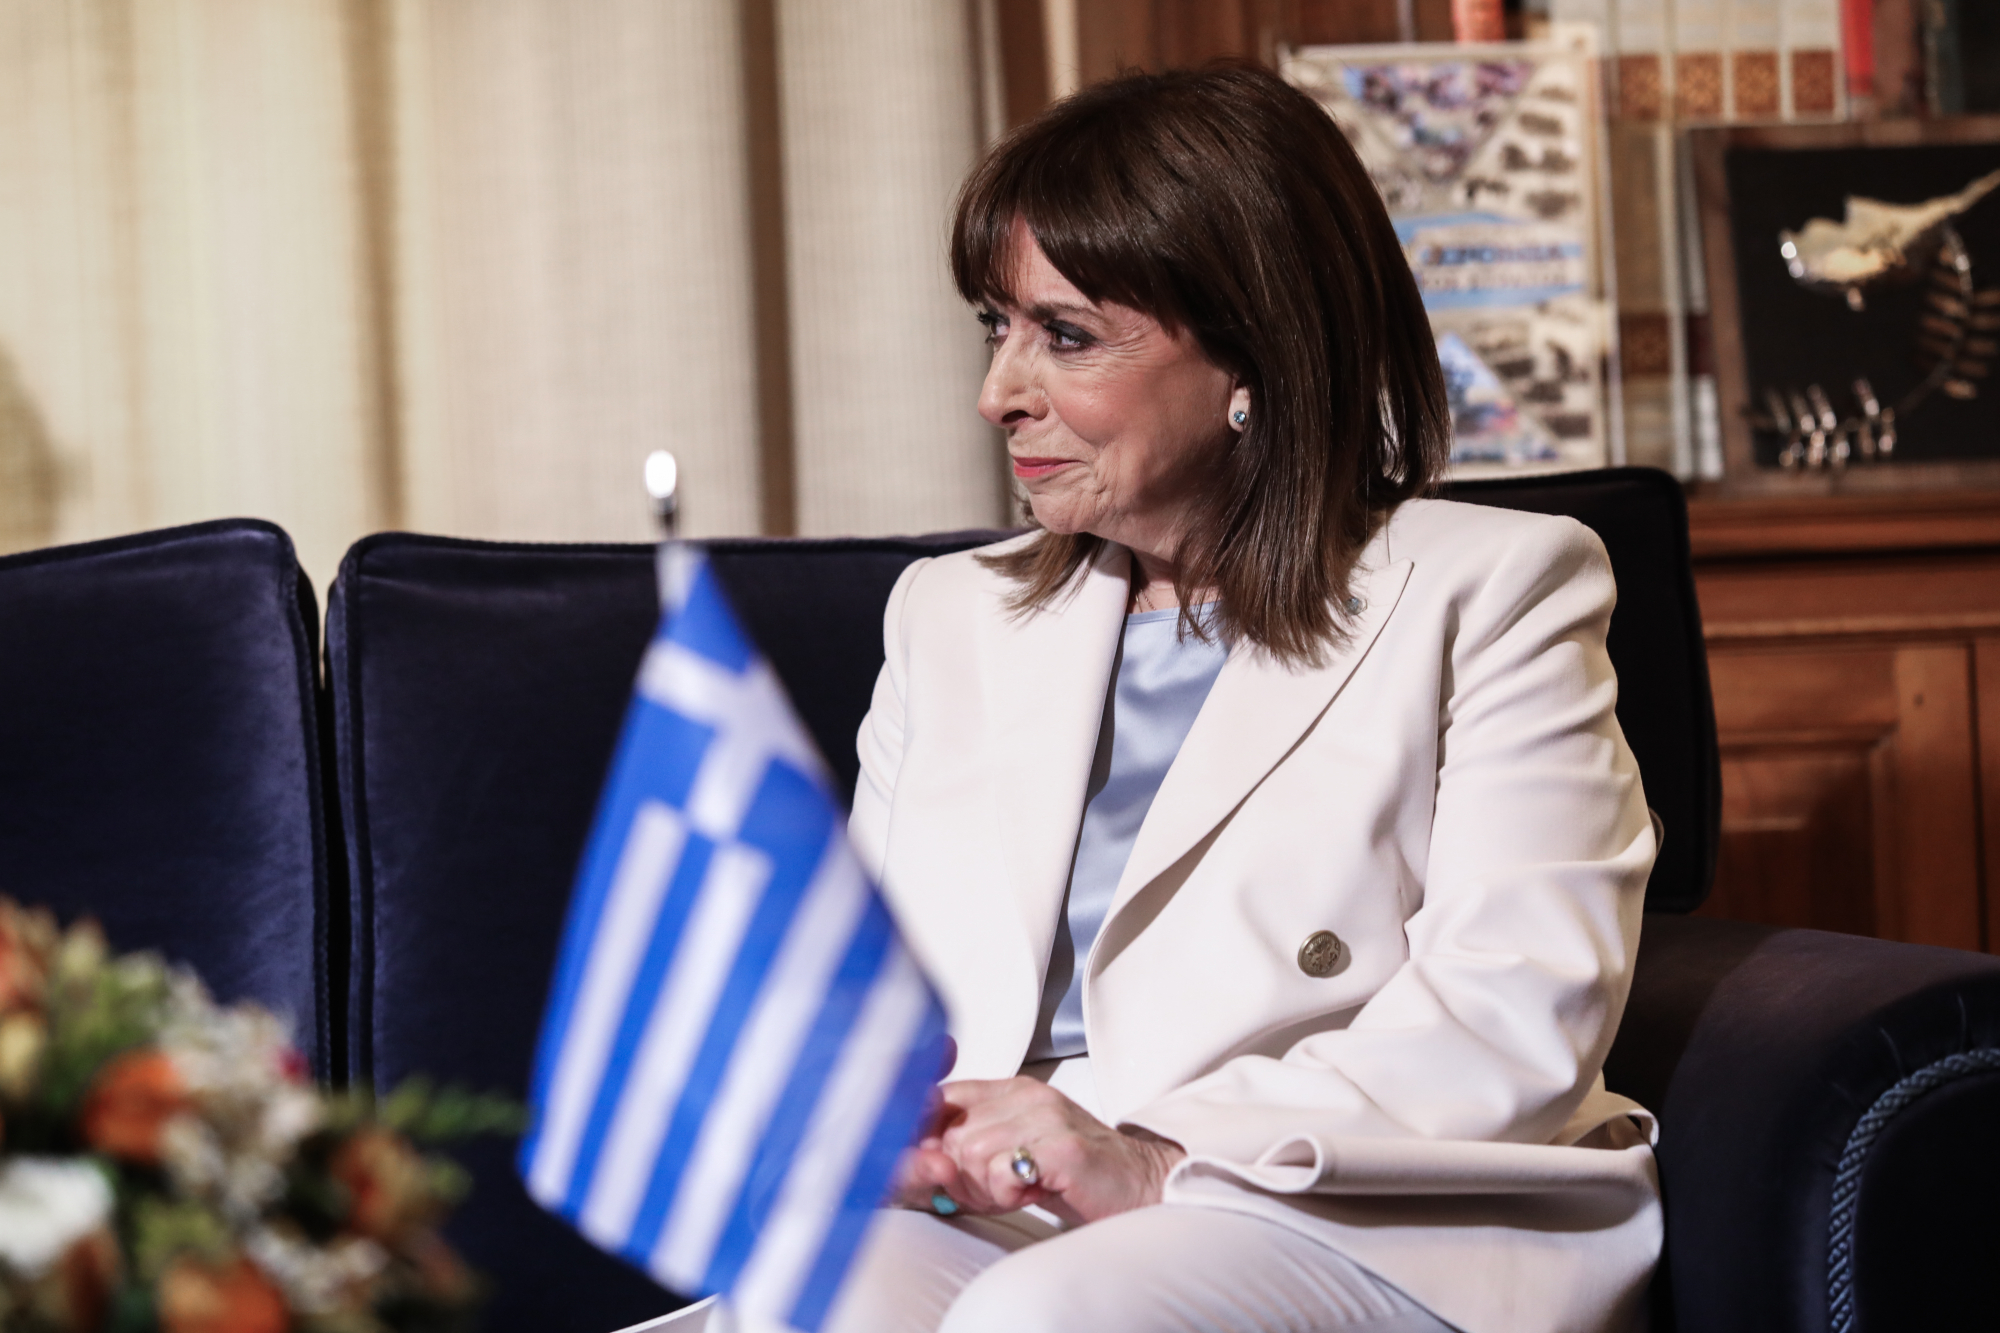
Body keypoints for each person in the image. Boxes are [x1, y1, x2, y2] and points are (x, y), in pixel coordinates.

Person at [668, 63, 1658, 1333]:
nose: (997, 392)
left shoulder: (1497, 588)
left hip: (1352, 1198)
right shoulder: (945, 615)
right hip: (1007, 1199)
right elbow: (867, 993)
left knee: (1044, 1321)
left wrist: (1146, 1152)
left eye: (1064, 335)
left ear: (1253, 354)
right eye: (995, 326)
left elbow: (1512, 1011)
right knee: (811, 1303)